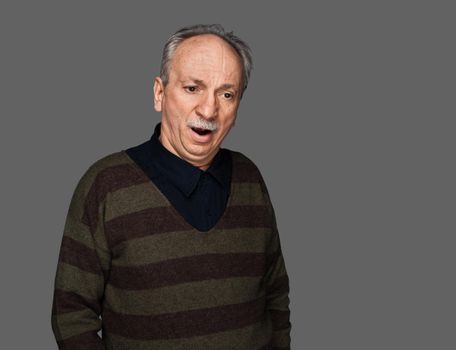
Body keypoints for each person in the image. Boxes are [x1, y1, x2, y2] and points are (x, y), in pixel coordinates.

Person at [51, 24, 291, 350]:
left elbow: (275, 294)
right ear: (159, 93)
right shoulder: (106, 186)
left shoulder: (250, 178)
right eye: (193, 88)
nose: (209, 110)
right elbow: (71, 314)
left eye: (226, 94)